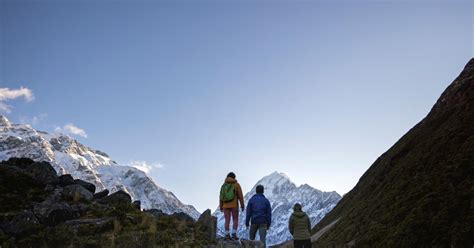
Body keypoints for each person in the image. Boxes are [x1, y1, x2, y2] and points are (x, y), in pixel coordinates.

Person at [219, 172, 245, 240]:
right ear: (234, 177)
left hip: (225, 205)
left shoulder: (223, 185)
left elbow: (221, 197)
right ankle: (234, 234)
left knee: (227, 220)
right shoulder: (236, 185)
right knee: (235, 219)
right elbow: (240, 196)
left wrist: (221, 206)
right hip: (234, 205)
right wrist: (242, 205)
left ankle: (227, 234)